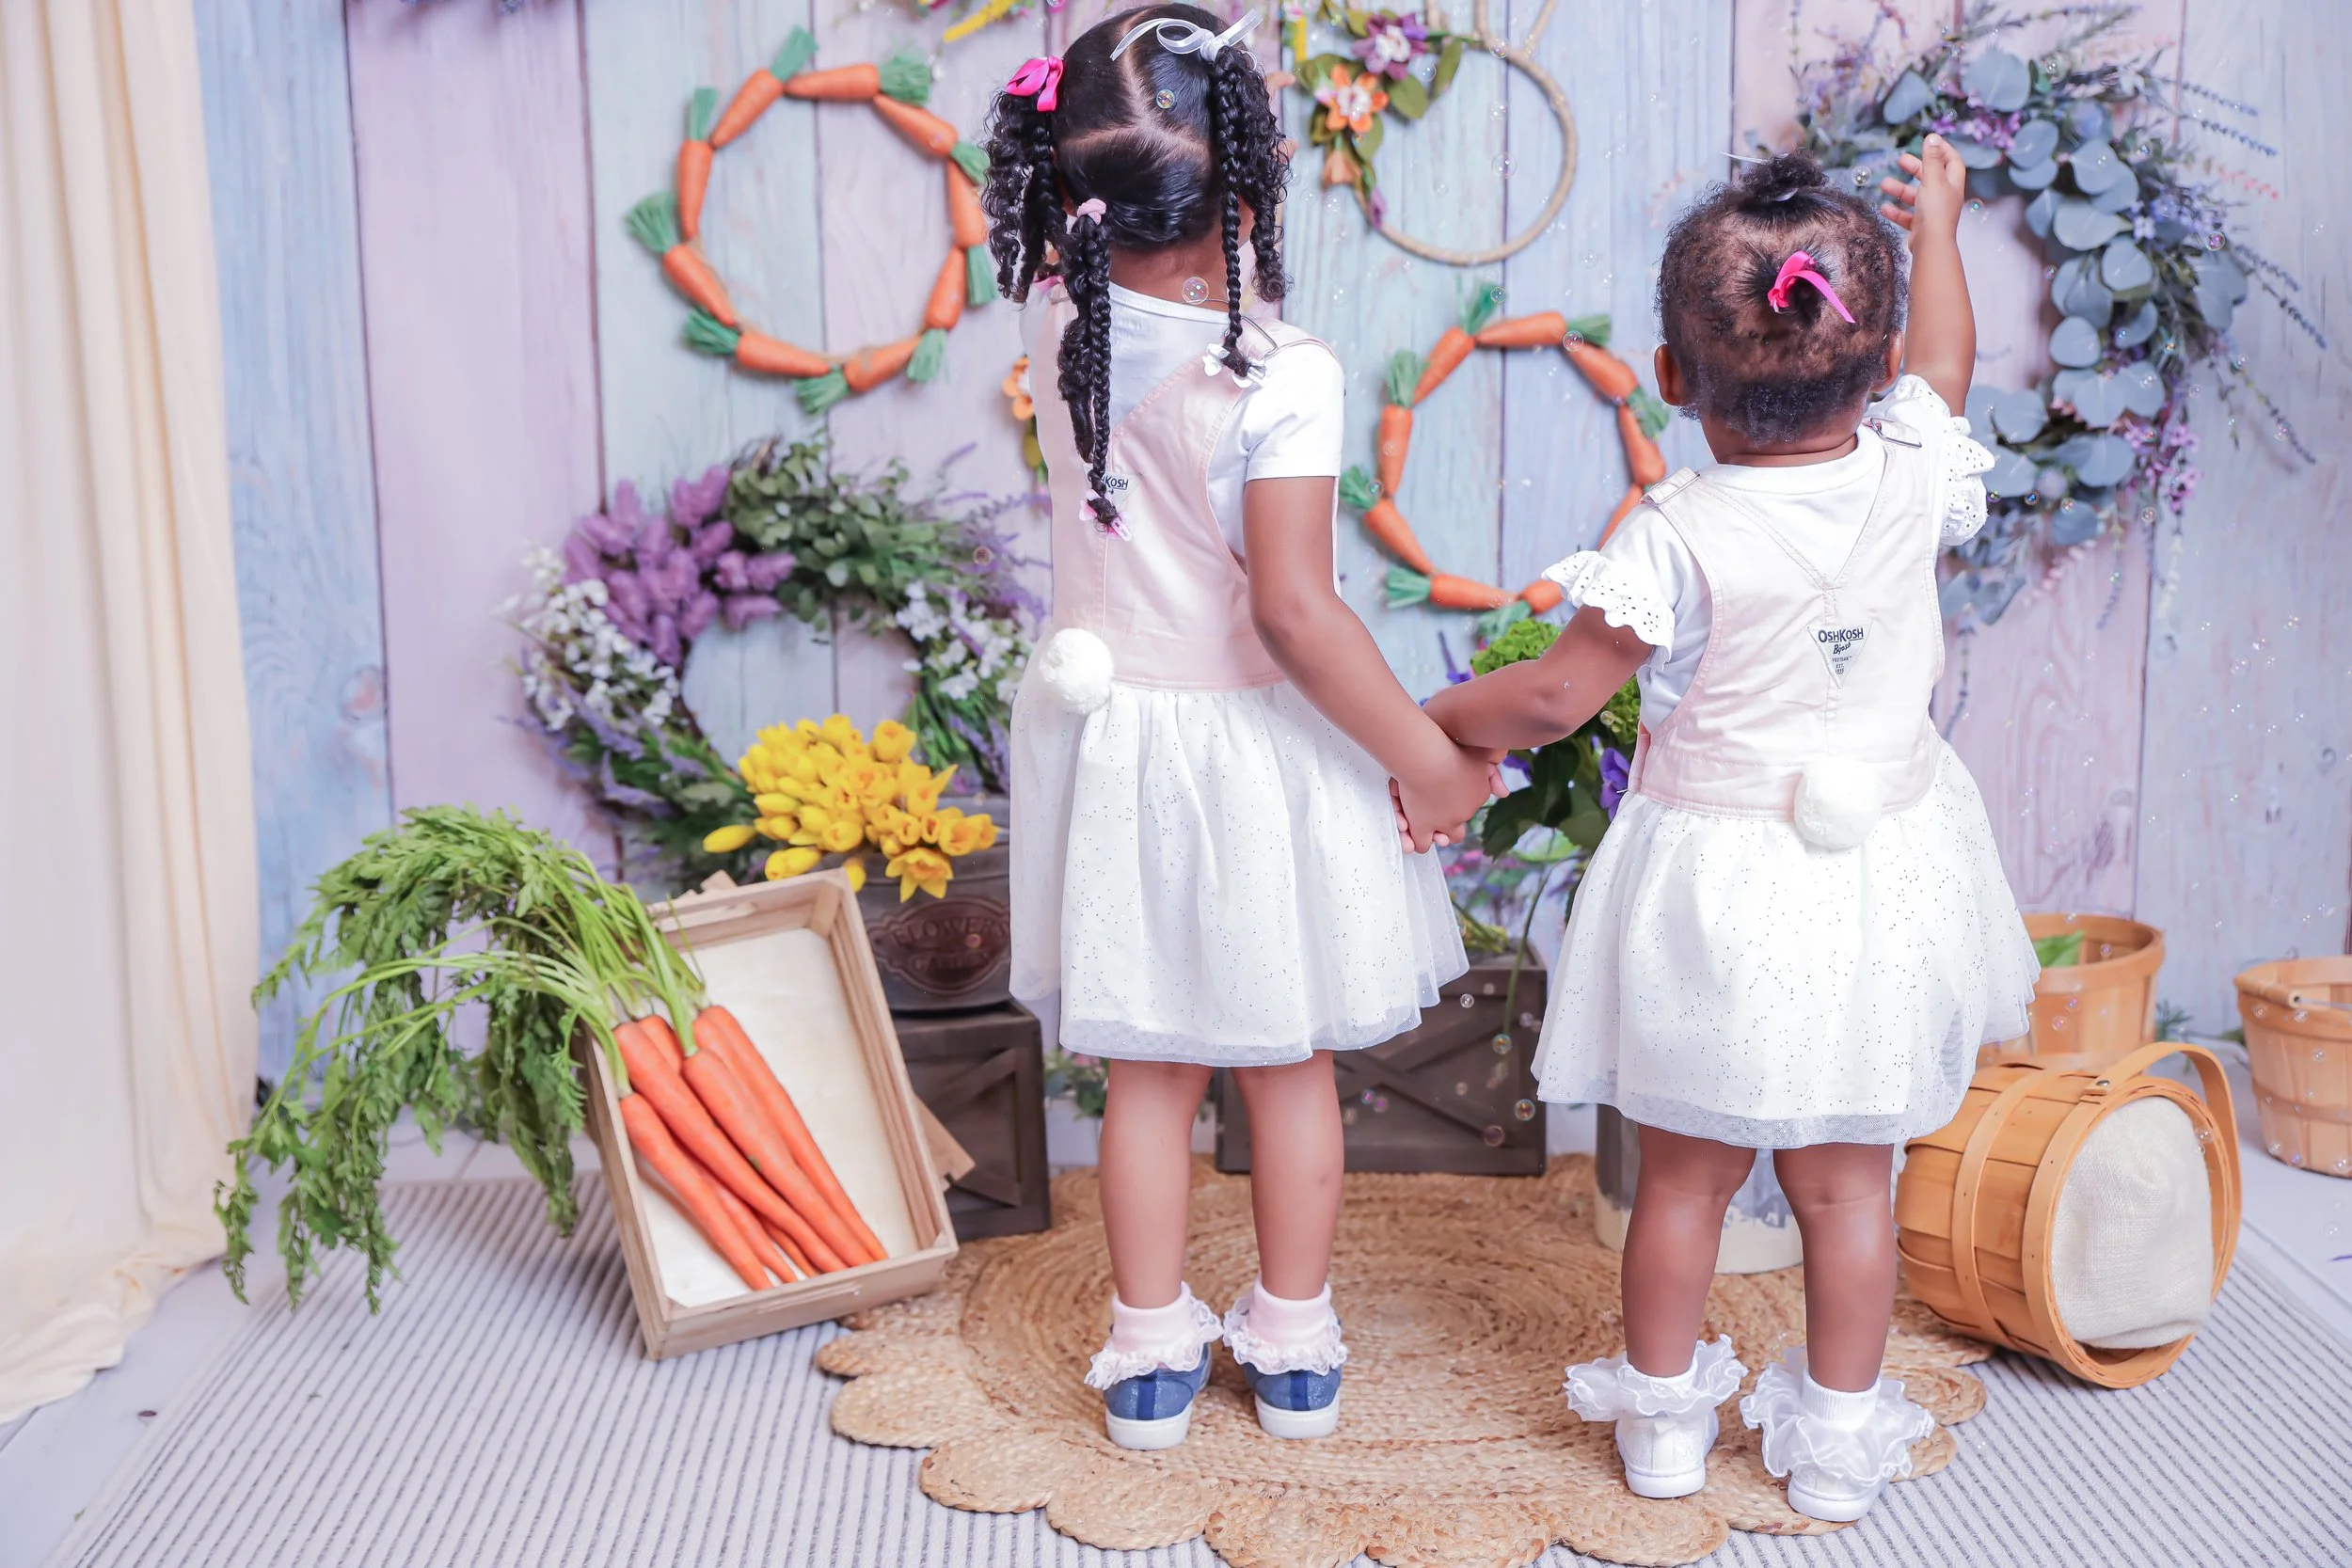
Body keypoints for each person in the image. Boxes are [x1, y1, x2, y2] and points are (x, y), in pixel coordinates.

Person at [1422, 138, 2038, 1521]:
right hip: (1877, 875)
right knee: (1845, 1193)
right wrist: (1936, 224)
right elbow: (1949, 359)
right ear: (1872, 366)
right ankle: (1831, 1448)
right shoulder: (1908, 463)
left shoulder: (1674, 528)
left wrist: (1443, 710)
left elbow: (1559, 693)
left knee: (1683, 1186)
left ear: (1672, 375)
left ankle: (1659, 1435)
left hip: (1718, 889)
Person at [985, 4, 1497, 1449]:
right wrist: (1431, 760)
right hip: (1244, 750)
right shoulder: (1281, 375)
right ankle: (1292, 1348)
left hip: (1111, 735)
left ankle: (1147, 1357)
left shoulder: (1055, 308)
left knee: (1146, 1067)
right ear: (1252, 189)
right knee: (1284, 1060)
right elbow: (1296, 613)